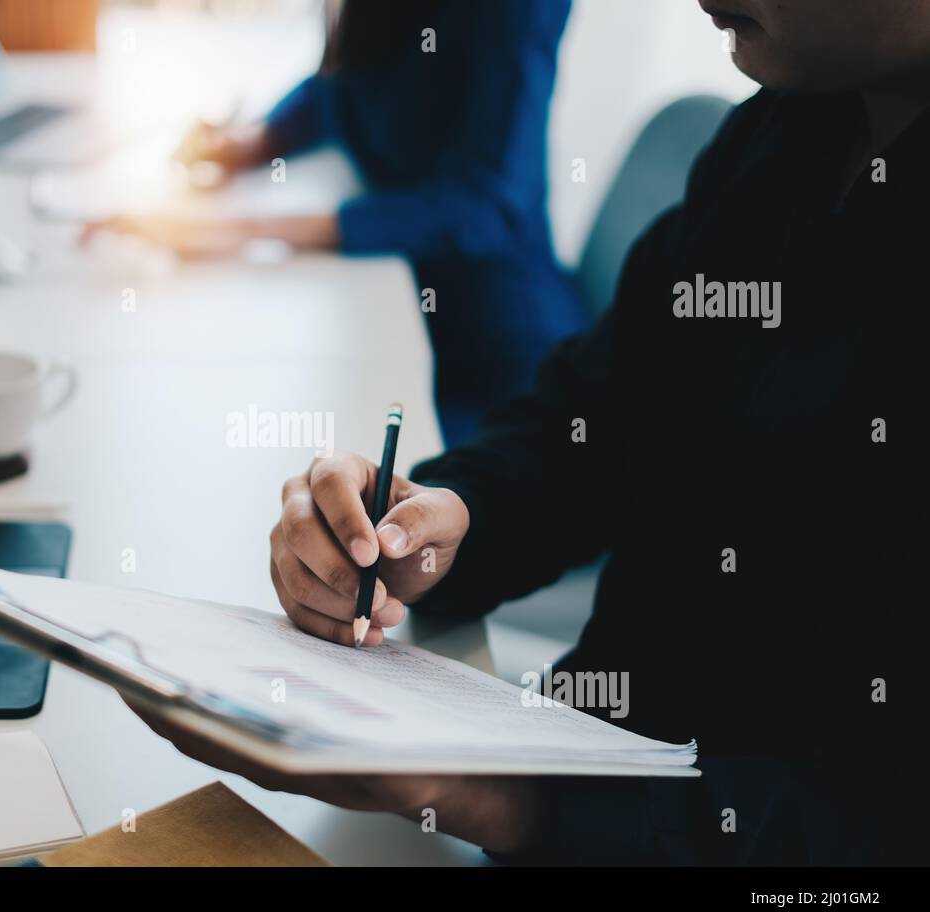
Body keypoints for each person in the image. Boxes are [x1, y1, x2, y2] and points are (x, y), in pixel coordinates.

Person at [126, 0, 930, 864]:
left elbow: (872, 842)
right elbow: (598, 417)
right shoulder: (782, 134)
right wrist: (439, 520)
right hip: (573, 756)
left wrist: (501, 800)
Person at [86, 0, 588, 446]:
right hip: (403, 320)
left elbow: (486, 204)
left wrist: (244, 230)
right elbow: (344, 88)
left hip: (499, 375)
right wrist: (247, 146)